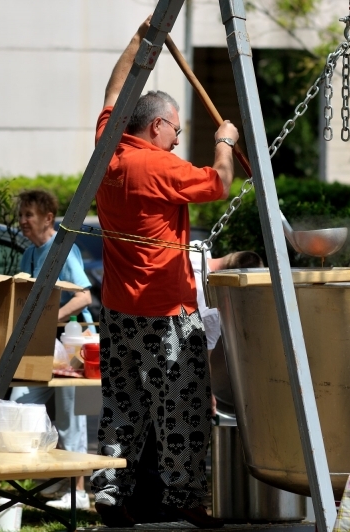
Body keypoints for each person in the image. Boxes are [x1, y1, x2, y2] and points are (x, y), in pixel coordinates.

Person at [89, 17, 239, 529]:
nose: (178, 138)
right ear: (156, 127)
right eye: (176, 128)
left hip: (116, 309)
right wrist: (225, 138)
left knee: (122, 406)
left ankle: (111, 493)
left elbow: (114, 88)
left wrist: (139, 38)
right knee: (183, 409)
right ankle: (185, 499)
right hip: (164, 313)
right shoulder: (160, 166)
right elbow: (220, 182)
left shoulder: (108, 148)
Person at [10, 189, 94, 510]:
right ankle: (57, 477)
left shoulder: (63, 250)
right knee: (22, 405)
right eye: (21, 215)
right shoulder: (29, 255)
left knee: (73, 415)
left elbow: (84, 297)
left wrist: (49, 320)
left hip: (74, 342)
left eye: (28, 215)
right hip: (45, 344)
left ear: (48, 218)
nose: (22, 222)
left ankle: (80, 492)